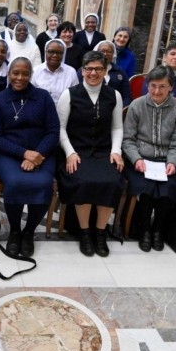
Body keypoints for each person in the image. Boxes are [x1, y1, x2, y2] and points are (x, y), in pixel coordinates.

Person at [56, 51, 124, 258]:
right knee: (82, 180)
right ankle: (85, 232)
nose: (93, 73)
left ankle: (100, 232)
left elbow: (117, 127)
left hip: (104, 150)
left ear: (105, 71)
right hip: (77, 150)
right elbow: (60, 128)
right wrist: (70, 153)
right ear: (82, 70)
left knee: (112, 181)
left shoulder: (114, 95)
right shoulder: (69, 94)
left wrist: (116, 151)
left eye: (98, 69)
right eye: (89, 69)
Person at [0, 57, 59, 256]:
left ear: (31, 75)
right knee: (15, 182)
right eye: (15, 73)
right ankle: (15, 230)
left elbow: (53, 131)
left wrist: (37, 154)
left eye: (25, 73)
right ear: (9, 74)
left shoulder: (43, 97)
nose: (20, 77)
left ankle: (28, 232)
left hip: (41, 152)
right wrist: (24, 154)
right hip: (8, 154)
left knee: (44, 183)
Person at [122, 65, 176, 252]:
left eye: (162, 86)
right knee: (146, 188)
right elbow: (128, 139)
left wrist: (173, 162)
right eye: (152, 86)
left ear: (171, 87)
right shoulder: (137, 105)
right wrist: (136, 159)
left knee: (168, 189)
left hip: (166, 160)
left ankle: (158, 229)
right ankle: (144, 230)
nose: (156, 91)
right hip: (141, 159)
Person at [31, 38, 78, 106]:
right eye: (51, 51)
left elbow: (75, 96)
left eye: (59, 52)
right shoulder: (35, 71)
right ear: (45, 52)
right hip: (39, 111)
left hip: (64, 112)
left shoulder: (71, 72)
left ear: (63, 54)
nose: (55, 55)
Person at [89, 40, 132, 106]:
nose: (105, 54)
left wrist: (120, 109)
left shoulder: (119, 71)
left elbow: (127, 96)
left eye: (109, 52)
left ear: (113, 54)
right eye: (102, 51)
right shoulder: (87, 69)